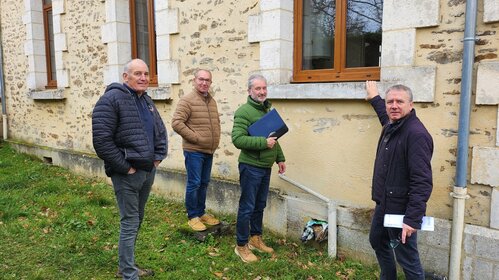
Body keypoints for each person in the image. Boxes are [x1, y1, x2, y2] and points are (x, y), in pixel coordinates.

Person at [92, 59, 167, 279]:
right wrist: (125, 168)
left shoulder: (146, 100)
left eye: (146, 73)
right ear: (126, 77)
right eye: (137, 74)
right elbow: (102, 141)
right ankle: (128, 273)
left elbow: (159, 131)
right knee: (130, 221)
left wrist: (157, 159)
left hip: (146, 172)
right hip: (127, 174)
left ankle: (127, 266)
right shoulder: (111, 100)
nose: (143, 78)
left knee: (137, 219)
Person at [365, 81, 433, 280]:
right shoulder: (393, 125)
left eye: (399, 102)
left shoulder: (416, 134)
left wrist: (412, 219)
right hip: (384, 203)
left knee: (408, 260)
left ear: (411, 105)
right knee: (377, 240)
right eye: (390, 102)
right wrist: (374, 97)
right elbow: (383, 116)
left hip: (401, 210)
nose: (394, 105)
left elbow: (422, 181)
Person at [231, 74, 286, 263]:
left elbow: (274, 138)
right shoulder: (243, 112)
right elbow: (237, 140)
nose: (262, 92)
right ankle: (241, 246)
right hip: (250, 166)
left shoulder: (267, 109)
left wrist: (280, 158)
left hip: (265, 167)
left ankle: (255, 239)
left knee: (260, 205)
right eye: (258, 89)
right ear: (249, 91)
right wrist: (263, 142)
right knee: (247, 207)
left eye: (264, 88)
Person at [171, 69, 221, 231]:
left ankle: (201, 213)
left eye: (208, 80)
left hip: (208, 150)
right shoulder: (187, 100)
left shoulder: (211, 101)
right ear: (194, 80)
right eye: (201, 79)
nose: (204, 83)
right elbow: (177, 123)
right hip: (194, 151)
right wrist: (196, 138)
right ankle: (192, 216)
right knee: (194, 183)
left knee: (204, 183)